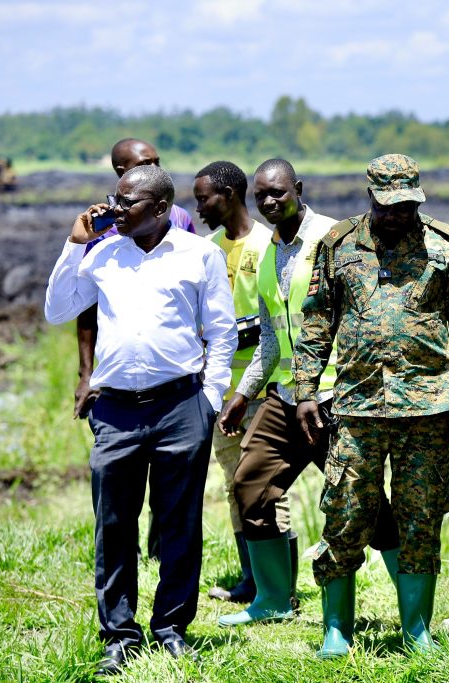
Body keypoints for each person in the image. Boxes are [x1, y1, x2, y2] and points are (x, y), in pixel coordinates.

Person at [44, 165, 236, 676]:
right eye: (115, 197)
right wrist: (73, 244)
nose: (113, 207)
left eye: (125, 201)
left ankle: (171, 628)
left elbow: (222, 331)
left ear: (157, 209)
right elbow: (58, 311)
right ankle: (120, 636)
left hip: (180, 406)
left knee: (179, 524)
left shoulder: (200, 255)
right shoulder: (103, 252)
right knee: (113, 525)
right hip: (116, 411)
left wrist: (209, 400)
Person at [294, 153, 449, 656]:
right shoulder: (338, 245)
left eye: (407, 205)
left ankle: (416, 630)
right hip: (356, 407)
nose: (398, 214)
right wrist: (306, 390)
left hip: (426, 408)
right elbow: (316, 323)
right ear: (371, 198)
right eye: (388, 206)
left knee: (421, 517)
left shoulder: (445, 245)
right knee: (345, 513)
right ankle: (336, 629)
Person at [217, 159, 400, 629]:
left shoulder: (333, 238)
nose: (270, 202)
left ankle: (412, 606)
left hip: (336, 396)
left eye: (278, 192)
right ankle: (272, 600)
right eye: (261, 196)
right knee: (250, 485)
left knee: (363, 501)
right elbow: (273, 335)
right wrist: (244, 392)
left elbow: (363, 317)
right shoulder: (269, 248)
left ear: (298, 188)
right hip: (285, 395)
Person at [75, 138, 198, 563]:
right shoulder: (105, 228)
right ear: (119, 175)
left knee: (174, 502)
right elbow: (86, 307)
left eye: (157, 162)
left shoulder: (179, 219)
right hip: (120, 390)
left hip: (176, 387)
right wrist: (85, 374)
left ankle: (163, 554)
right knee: (116, 503)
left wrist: (207, 390)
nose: (154, 168)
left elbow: (194, 306)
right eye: (143, 164)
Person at [191, 160, 291, 605]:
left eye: (204, 199)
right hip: (220, 388)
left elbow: (271, 319)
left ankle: (280, 586)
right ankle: (252, 580)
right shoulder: (208, 248)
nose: (198, 209)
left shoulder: (266, 244)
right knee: (235, 484)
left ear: (229, 196)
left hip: (261, 385)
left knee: (267, 485)